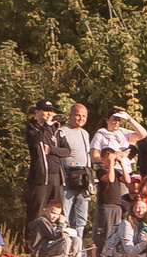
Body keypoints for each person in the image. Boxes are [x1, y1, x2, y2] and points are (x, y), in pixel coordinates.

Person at [92, 108, 145, 257]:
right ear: (107, 119)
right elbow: (95, 157)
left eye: (119, 119)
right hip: (109, 175)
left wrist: (129, 119)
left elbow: (142, 135)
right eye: (114, 119)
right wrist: (116, 157)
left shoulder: (123, 132)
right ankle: (101, 255)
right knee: (107, 220)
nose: (116, 122)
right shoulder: (101, 134)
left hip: (123, 175)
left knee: (122, 216)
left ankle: (118, 252)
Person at [54, 100, 95, 241]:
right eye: (77, 115)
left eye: (84, 116)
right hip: (68, 178)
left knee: (81, 219)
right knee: (64, 216)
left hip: (84, 179)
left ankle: (78, 252)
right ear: (70, 115)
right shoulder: (61, 132)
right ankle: (63, 248)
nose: (81, 119)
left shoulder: (85, 133)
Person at [23, 98, 59, 235]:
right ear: (37, 112)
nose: (49, 114)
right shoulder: (32, 128)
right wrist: (45, 126)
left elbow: (66, 150)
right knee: (35, 211)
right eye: (46, 111)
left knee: (56, 210)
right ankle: (30, 244)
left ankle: (53, 240)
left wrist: (52, 150)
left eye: (51, 111)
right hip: (39, 176)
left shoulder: (55, 129)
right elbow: (35, 142)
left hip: (55, 175)